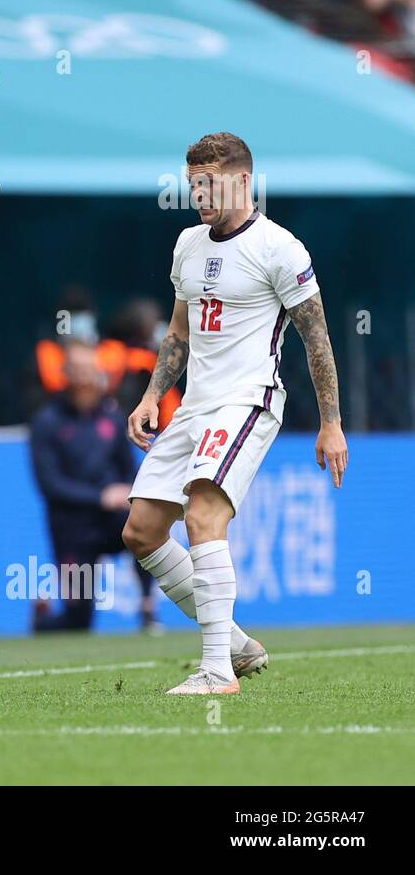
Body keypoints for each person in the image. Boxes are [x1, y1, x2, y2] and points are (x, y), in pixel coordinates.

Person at [122, 132, 347, 695]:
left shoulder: (280, 248)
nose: (199, 193)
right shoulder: (187, 245)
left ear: (243, 181)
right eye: (193, 182)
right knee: (142, 532)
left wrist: (331, 422)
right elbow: (178, 332)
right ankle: (239, 647)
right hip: (195, 405)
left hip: (249, 400)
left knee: (202, 515)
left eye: (210, 182)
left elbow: (315, 339)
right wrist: (152, 395)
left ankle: (217, 671)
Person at [30, 341, 156, 632]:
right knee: (79, 622)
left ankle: (148, 605)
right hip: (72, 527)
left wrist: (128, 494)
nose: (86, 379)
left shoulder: (113, 418)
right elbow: (50, 485)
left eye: (91, 371)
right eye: (79, 371)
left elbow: (130, 471)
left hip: (113, 519)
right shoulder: (47, 423)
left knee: (143, 525)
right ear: (66, 374)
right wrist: (101, 497)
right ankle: (42, 620)